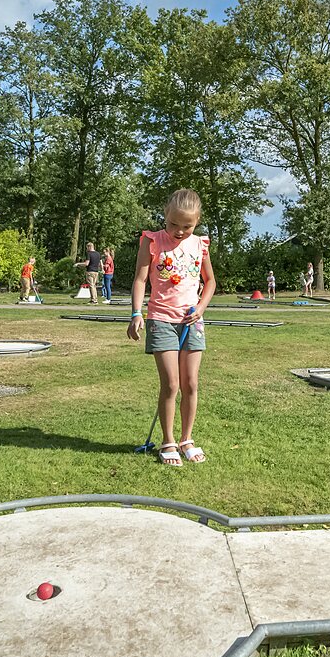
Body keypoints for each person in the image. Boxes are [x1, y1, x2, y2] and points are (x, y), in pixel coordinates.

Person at [127, 189, 216, 466]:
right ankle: (168, 441)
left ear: (197, 221)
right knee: (172, 384)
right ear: (165, 215)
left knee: (191, 383)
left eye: (187, 226)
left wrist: (200, 308)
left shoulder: (200, 245)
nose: (179, 231)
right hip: (161, 318)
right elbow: (141, 279)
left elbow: (210, 281)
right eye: (173, 224)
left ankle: (186, 439)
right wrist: (136, 313)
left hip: (191, 320)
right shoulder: (152, 241)